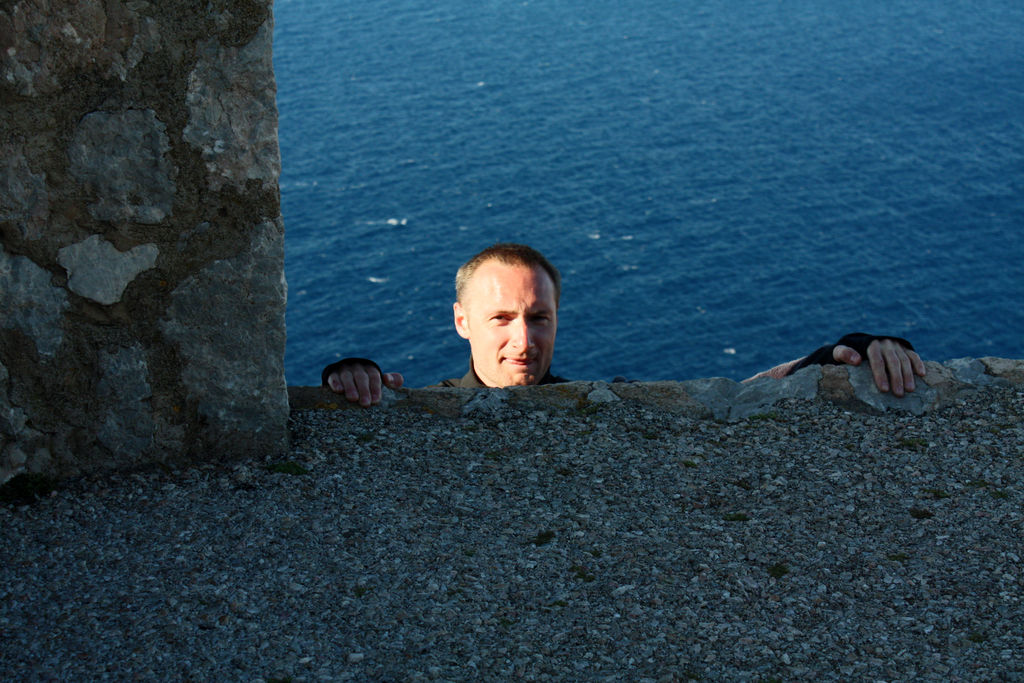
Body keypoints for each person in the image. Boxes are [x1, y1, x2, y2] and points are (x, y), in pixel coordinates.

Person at [322, 243, 926, 406]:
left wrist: (850, 348)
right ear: (461, 322)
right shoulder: (418, 412)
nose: (523, 341)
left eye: (538, 318)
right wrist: (350, 378)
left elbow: (745, 398)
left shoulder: (612, 405)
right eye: (501, 319)